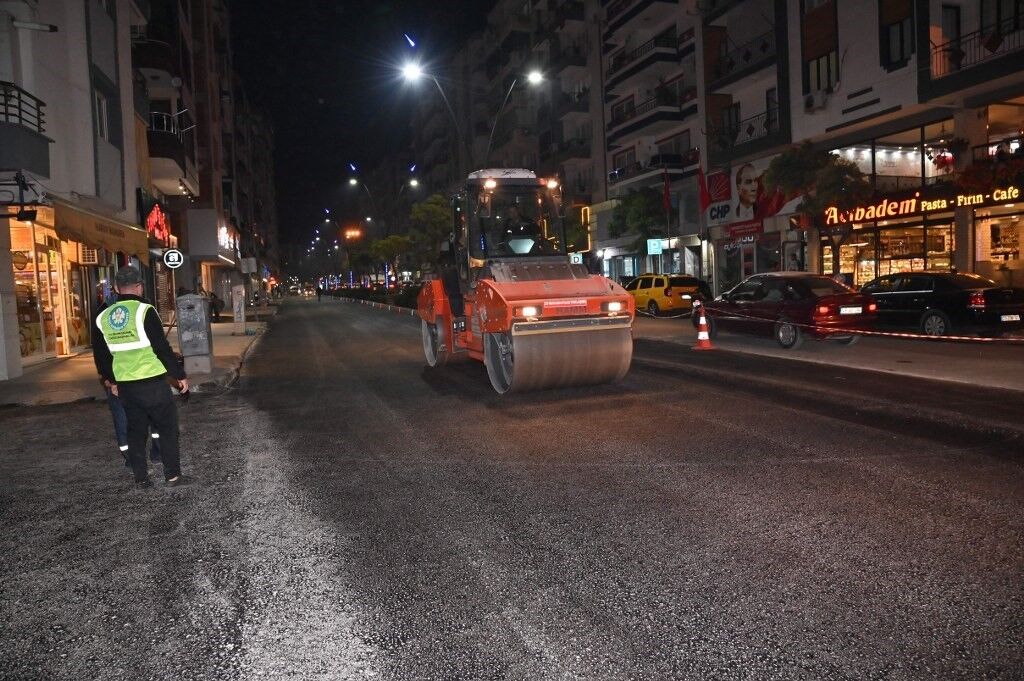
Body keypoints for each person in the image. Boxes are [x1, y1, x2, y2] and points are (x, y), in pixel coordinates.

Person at [93, 266, 189, 488]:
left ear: (116, 288)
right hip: (152, 382)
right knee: (167, 428)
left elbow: (101, 355)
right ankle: (172, 476)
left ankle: (141, 479)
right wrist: (178, 375)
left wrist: (111, 381)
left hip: (126, 385)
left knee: (135, 432)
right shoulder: (144, 311)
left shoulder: (103, 317)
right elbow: (161, 347)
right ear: (139, 286)